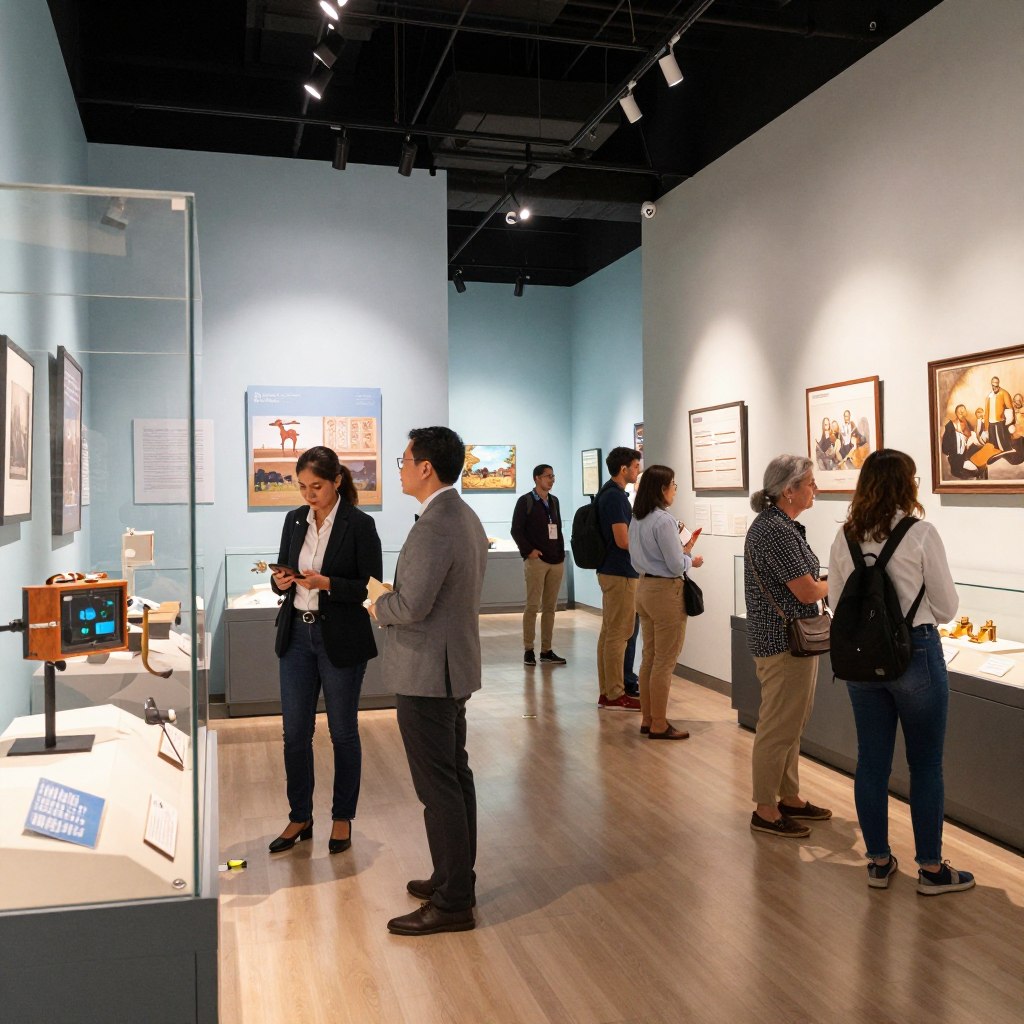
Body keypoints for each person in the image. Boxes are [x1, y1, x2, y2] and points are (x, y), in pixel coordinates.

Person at [829, 449, 974, 895]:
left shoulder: (845, 536)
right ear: (906, 484)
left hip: (861, 658)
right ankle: (931, 869)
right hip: (916, 653)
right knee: (925, 763)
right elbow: (948, 608)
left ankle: (877, 861)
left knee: (871, 762)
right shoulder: (921, 533)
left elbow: (837, 601)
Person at [369, 426, 488, 935]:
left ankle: (453, 900)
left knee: (438, 787)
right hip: (449, 665)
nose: (399, 467)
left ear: (425, 468)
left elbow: (412, 606)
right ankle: (452, 877)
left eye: (403, 459)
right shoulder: (460, 514)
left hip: (428, 673)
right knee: (454, 778)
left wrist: (378, 603)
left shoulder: (437, 523)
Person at [268, 447, 382, 856]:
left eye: (316, 486)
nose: (308, 494)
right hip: (296, 635)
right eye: (302, 486)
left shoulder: (360, 524)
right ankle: (300, 815)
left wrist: (327, 583)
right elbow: (283, 569)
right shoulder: (293, 520)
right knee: (294, 734)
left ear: (336, 481)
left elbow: (370, 586)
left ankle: (341, 816)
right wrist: (282, 581)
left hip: (340, 639)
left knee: (343, 732)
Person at [743, 454, 831, 838]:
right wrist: (841, 581)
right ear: (788, 490)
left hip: (788, 638)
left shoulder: (781, 525)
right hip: (782, 641)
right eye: (810, 482)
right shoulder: (775, 531)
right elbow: (808, 589)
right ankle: (765, 808)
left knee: (791, 722)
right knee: (778, 726)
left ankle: (789, 796)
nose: (816, 489)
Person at [627, 465, 703, 740]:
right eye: (674, 484)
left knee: (649, 656)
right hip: (665, 592)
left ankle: (648, 719)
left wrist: (681, 556)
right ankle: (659, 722)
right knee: (664, 661)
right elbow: (673, 565)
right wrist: (690, 560)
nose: (675, 490)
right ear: (662, 488)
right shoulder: (663, 521)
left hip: (644, 588)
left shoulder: (638, 518)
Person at [595, 446, 643, 711]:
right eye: (635, 466)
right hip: (620, 572)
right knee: (619, 635)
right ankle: (614, 694)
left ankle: (608, 691)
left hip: (613, 570)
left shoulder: (609, 493)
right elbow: (623, 540)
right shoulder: (614, 497)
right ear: (624, 469)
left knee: (610, 633)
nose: (638, 470)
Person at [510, 464, 567, 666]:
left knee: (550, 607)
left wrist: (561, 553)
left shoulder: (554, 501)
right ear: (537, 478)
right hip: (537, 561)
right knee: (533, 606)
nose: (551, 480)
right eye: (547, 476)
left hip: (556, 560)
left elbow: (557, 529)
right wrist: (529, 551)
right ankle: (528, 649)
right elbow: (516, 530)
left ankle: (546, 650)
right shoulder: (525, 501)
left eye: (553, 476)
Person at [940, 404, 985, 479]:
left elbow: (973, 436)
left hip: (968, 452)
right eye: (959, 411)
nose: (961, 413)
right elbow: (946, 443)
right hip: (956, 456)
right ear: (956, 413)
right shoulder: (950, 425)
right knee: (962, 470)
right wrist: (948, 453)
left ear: (966, 412)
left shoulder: (968, 424)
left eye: (963, 411)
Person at [980, 376, 1014, 450]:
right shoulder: (989, 395)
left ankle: (1007, 453)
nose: (994, 387)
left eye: (996, 385)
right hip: (991, 422)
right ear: (991, 384)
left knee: (1003, 441)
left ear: (998, 384)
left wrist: (1007, 421)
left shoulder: (1004, 393)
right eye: (993, 385)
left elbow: (1010, 408)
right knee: (993, 443)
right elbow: (987, 411)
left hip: (1000, 422)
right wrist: (986, 427)